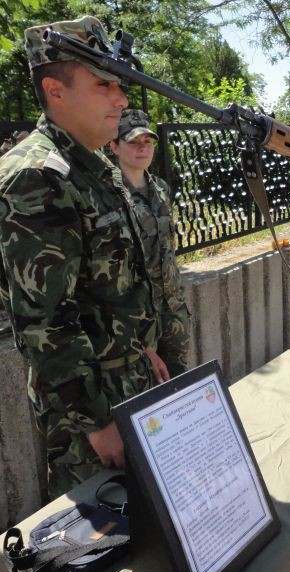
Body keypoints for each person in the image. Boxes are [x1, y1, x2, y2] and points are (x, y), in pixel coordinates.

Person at [0, 16, 165, 499]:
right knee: (112, 528)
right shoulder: (36, 175)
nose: (121, 99)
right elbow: (45, 322)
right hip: (91, 404)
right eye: (103, 84)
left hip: (126, 378)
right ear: (55, 91)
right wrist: (96, 421)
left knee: (152, 517)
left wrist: (143, 348)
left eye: (119, 85)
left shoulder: (89, 166)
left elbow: (111, 284)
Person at [110, 109, 190, 377]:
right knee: (147, 387)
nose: (142, 148)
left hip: (173, 310)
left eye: (147, 141)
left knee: (179, 381)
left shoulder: (161, 188)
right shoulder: (109, 196)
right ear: (114, 146)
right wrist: (139, 336)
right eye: (133, 141)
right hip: (137, 321)